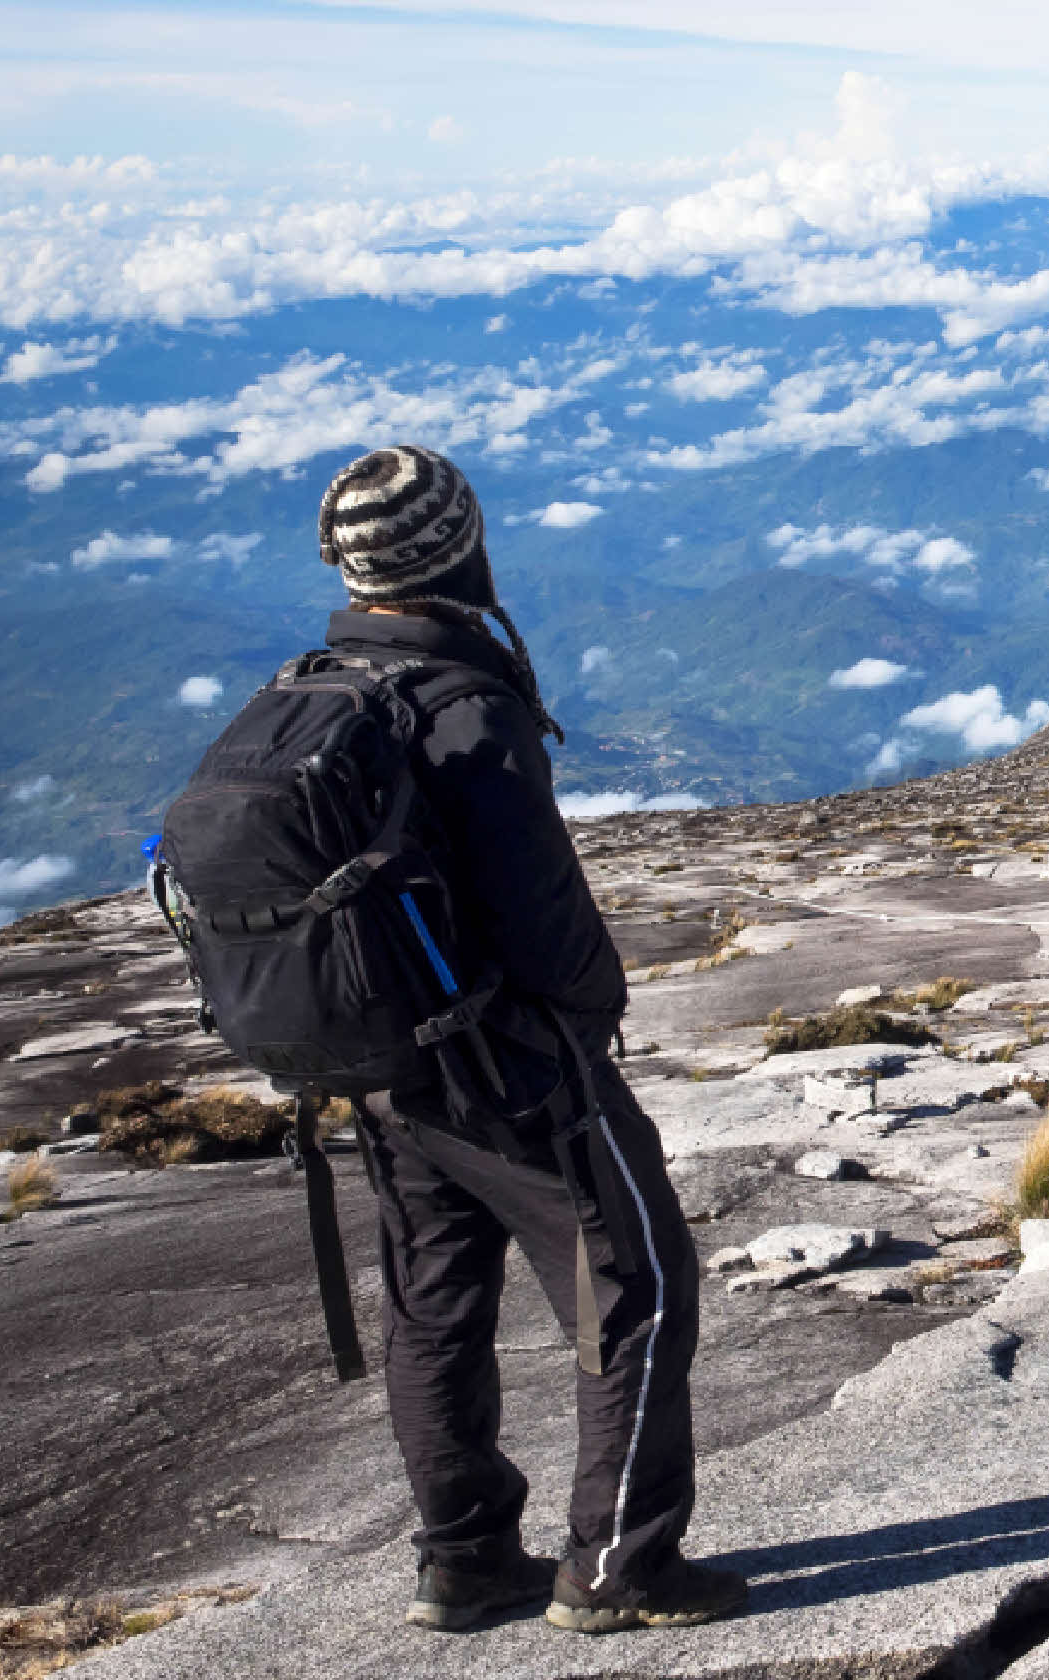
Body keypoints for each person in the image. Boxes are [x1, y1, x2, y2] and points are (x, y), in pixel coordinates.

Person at [310, 444, 742, 1635]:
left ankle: (461, 1563)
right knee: (641, 1288)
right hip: (512, 1075)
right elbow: (549, 927)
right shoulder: (462, 710)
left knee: (433, 1308)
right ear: (463, 550)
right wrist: (587, 1031)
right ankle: (620, 1570)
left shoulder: (322, 693)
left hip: (387, 1079)